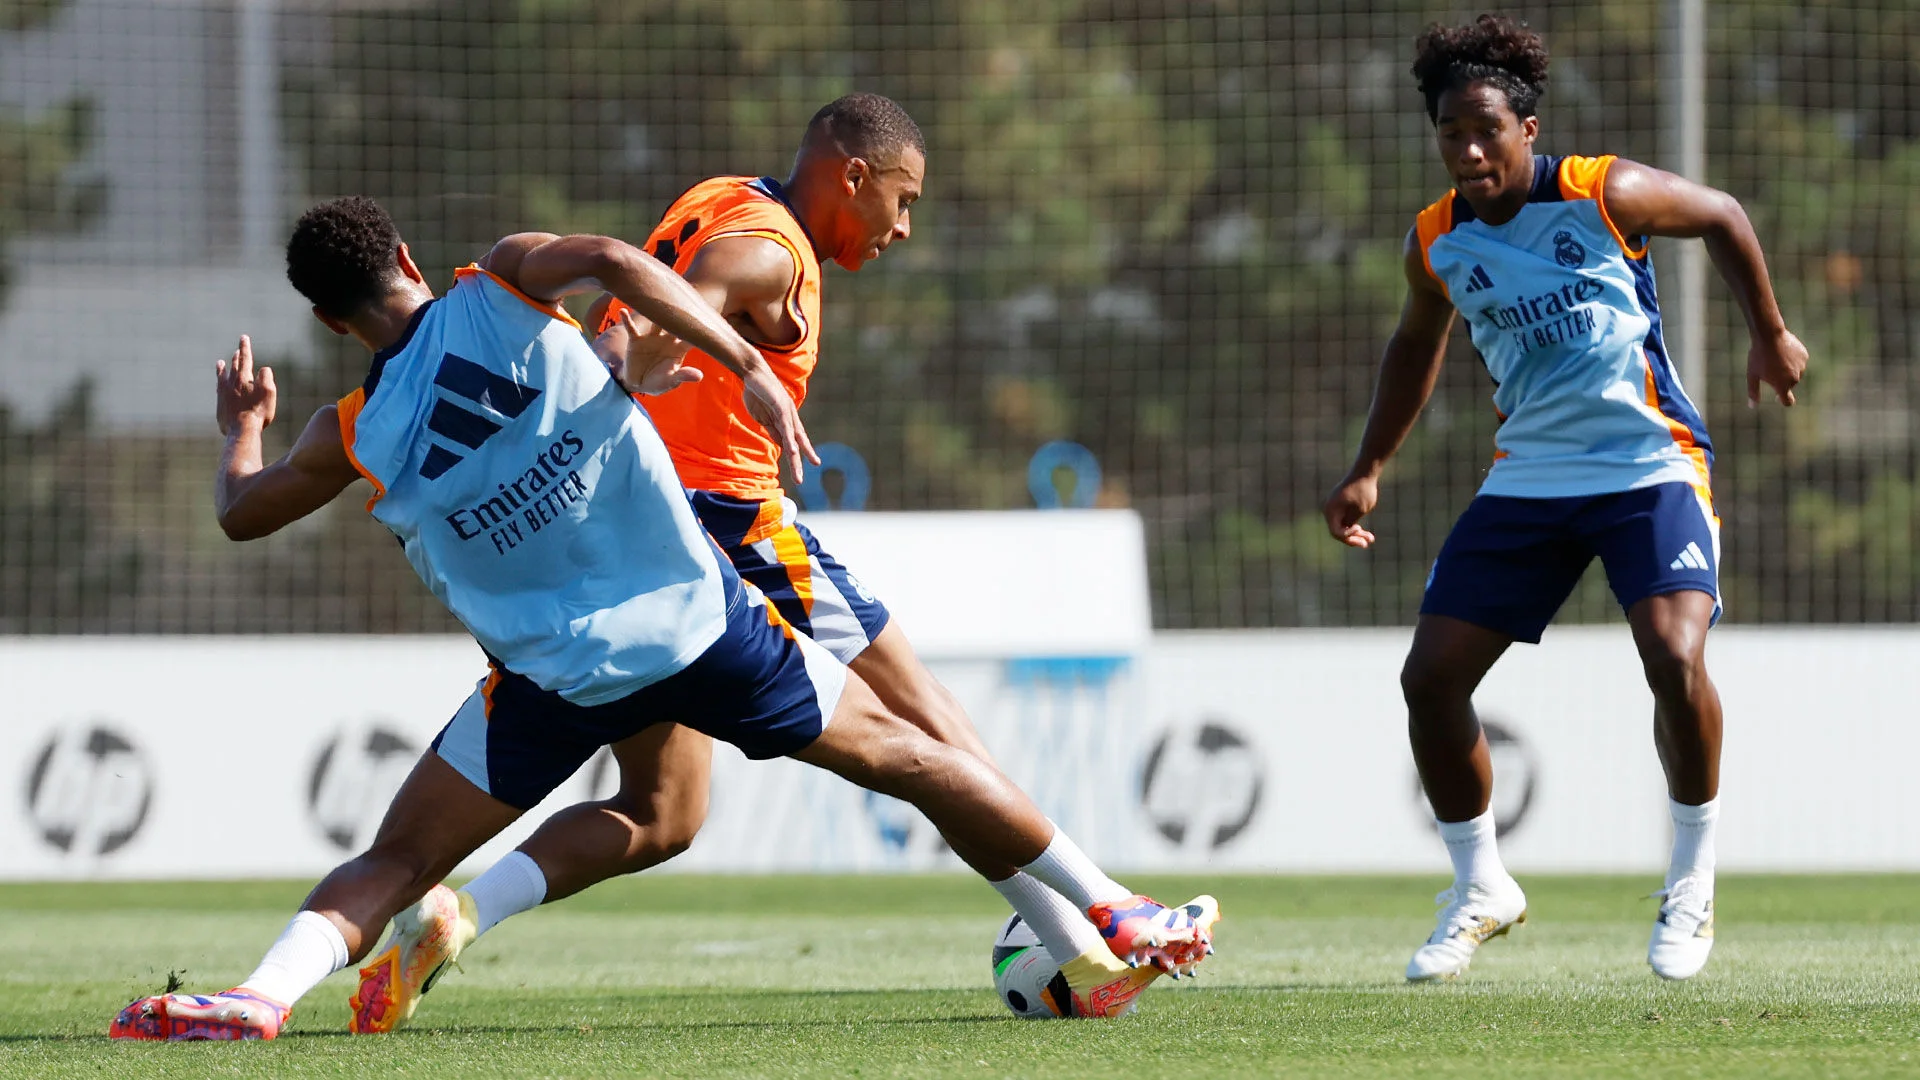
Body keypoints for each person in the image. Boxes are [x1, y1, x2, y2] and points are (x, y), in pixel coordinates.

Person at [108, 196, 1217, 1041]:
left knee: (405, 854)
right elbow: (615, 263)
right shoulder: (499, 286)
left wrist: (237, 429)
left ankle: (259, 998)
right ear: (404, 259)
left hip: (554, 679)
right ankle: (1112, 909)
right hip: (697, 626)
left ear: (326, 320)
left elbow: (243, 515)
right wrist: (743, 359)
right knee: (912, 757)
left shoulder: (347, 430)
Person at [353, 93, 1193, 1027]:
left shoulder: (717, 194)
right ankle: (1089, 932)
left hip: (629, 532)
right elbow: (701, 290)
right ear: (853, 176)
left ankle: (461, 912)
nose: (904, 228)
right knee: (928, 725)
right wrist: (661, 355)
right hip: (729, 519)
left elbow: (632, 296)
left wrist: (617, 355)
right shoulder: (774, 250)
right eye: (902, 201)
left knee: (664, 813)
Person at [1321, 15, 1805, 984]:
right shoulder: (1437, 243)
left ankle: (1692, 875)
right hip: (1533, 478)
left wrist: (1770, 331)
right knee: (1430, 680)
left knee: (1673, 654)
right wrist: (1369, 463)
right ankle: (1482, 887)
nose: (1467, 149)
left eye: (1485, 129)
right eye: (1450, 132)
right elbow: (1416, 346)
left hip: (1649, 466)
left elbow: (1722, 212)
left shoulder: (1600, 193)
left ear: (1527, 130)